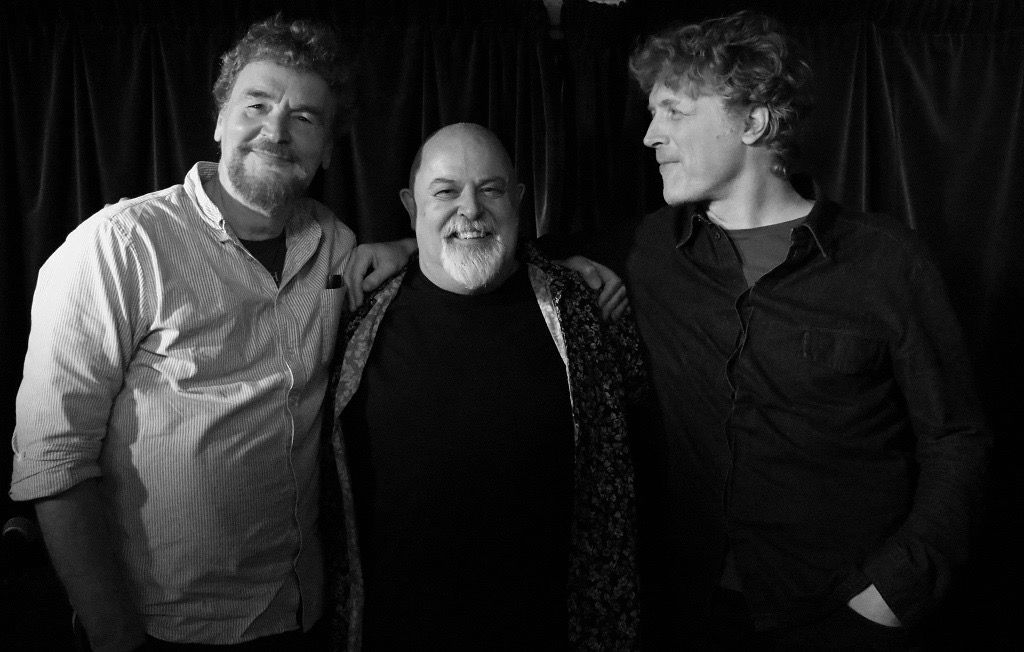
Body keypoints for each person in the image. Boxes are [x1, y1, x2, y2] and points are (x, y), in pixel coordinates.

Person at [576, 9, 990, 649]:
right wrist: (414, 247)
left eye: (674, 112)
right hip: (685, 610)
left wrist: (896, 588)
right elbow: (500, 254)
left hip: (840, 612)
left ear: (755, 122)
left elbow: (956, 437)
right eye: (653, 114)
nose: (651, 136)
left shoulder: (886, 262)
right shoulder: (645, 249)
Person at [9, 15, 378, 651]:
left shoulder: (336, 246)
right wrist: (114, 637)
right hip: (162, 628)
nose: (276, 131)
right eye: (257, 105)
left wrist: (408, 249)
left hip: (300, 614)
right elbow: (53, 460)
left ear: (327, 149)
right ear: (219, 121)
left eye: (304, 117)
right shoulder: (118, 246)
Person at [322, 122, 645, 650]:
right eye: (445, 191)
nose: (470, 209)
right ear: (411, 205)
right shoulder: (353, 317)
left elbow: (645, 455)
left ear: (518, 199)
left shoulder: (584, 312)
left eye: (491, 189)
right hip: (392, 631)